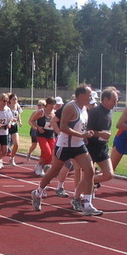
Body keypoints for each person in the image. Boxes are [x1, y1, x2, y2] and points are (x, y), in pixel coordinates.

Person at [31, 85, 102, 216]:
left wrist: (85, 135)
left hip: (78, 145)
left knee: (90, 171)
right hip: (65, 146)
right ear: (81, 95)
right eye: (89, 95)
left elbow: (80, 126)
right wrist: (81, 135)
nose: (91, 98)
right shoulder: (70, 107)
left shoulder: (84, 108)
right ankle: (38, 192)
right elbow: (63, 127)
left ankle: (87, 204)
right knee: (53, 172)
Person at [88, 87, 119, 187]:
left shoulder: (110, 111)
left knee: (109, 174)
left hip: (102, 147)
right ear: (105, 99)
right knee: (88, 174)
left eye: (116, 101)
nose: (115, 103)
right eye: (114, 101)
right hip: (91, 147)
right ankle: (83, 190)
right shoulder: (94, 112)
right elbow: (86, 131)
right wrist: (100, 134)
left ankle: (88, 183)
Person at [28, 97, 57, 176]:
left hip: (51, 135)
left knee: (51, 154)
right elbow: (31, 120)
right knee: (47, 151)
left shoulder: (55, 113)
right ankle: (39, 166)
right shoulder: (41, 112)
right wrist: (38, 127)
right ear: (48, 104)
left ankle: (42, 166)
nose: (53, 106)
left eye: (54, 104)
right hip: (42, 135)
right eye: (52, 104)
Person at [7, 93, 23, 165]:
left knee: (16, 144)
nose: (15, 100)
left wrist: (20, 121)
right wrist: (10, 120)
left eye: (16, 99)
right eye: (13, 99)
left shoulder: (17, 106)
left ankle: (12, 158)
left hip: (14, 126)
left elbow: (18, 114)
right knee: (5, 146)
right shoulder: (7, 107)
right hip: (6, 126)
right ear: (10, 100)